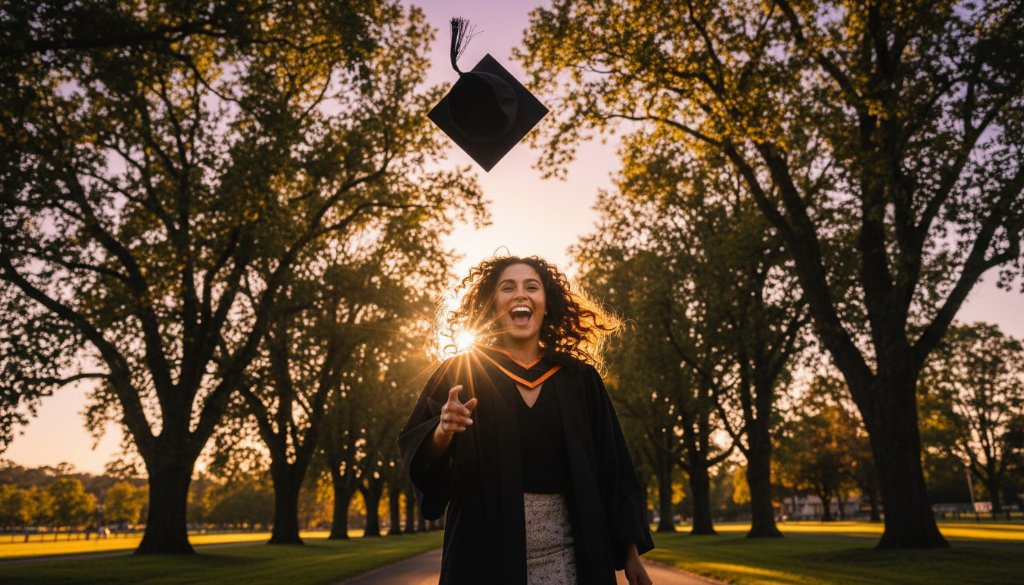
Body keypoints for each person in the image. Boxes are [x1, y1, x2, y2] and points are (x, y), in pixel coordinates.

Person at [399, 255, 654, 585]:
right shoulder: (461, 372)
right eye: (508, 288)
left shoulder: (580, 380)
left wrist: (630, 554)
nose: (520, 294)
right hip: (483, 552)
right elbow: (422, 460)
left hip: (571, 552)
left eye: (531, 287)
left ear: (546, 304)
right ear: (493, 305)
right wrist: (443, 430)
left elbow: (613, 466)